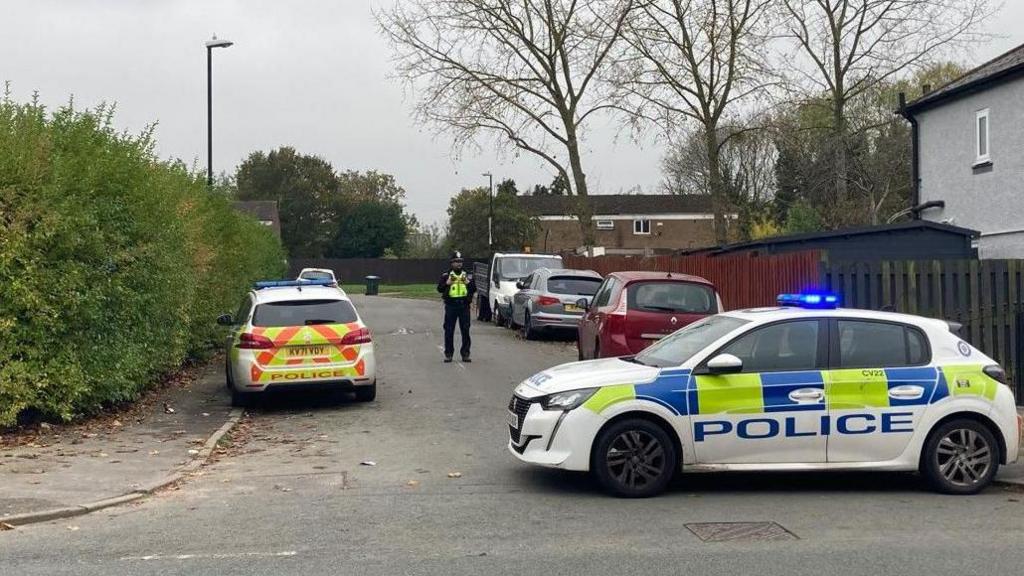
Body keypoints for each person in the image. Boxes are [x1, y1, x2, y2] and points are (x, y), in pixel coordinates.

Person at [437, 251, 476, 363]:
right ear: (452, 263)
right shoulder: (446, 275)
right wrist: (447, 283)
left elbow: (474, 288)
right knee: (449, 330)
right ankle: (448, 354)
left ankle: (465, 354)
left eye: (460, 262)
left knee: (465, 330)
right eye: (456, 262)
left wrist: (468, 282)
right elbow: (439, 289)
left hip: (464, 306)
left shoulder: (466, 274)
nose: (459, 264)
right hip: (451, 306)